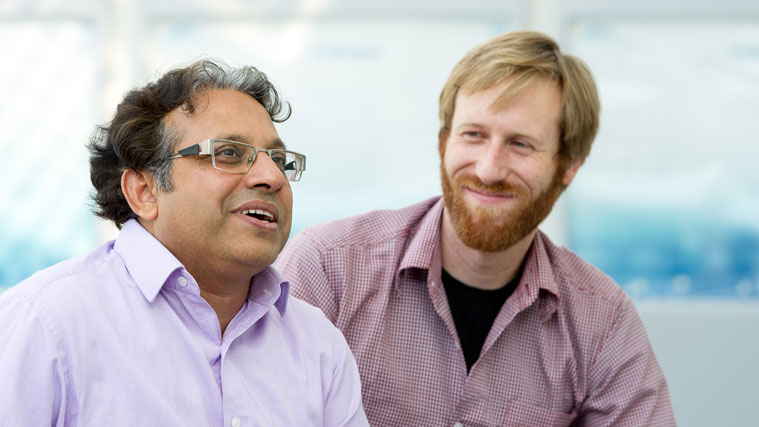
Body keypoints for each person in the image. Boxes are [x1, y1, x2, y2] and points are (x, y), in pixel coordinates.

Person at [276, 31, 675, 426]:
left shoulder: (603, 322)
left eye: (521, 144)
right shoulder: (328, 269)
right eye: (474, 135)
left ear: (568, 166)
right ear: (443, 143)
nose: (488, 169)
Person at [0, 60, 368, 426]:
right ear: (144, 192)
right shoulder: (47, 323)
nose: (272, 177)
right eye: (228, 153)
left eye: (279, 159)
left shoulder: (318, 344)